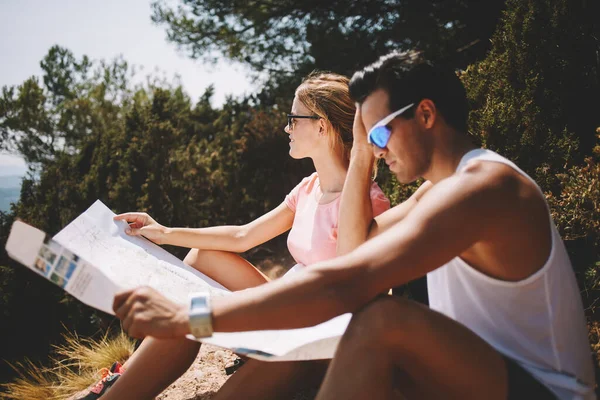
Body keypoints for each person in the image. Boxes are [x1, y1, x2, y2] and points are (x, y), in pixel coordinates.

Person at [112, 52, 596, 399]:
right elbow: (356, 252)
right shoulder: (440, 191)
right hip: (475, 375)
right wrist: (362, 151)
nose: (377, 148)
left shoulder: (485, 188)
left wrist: (188, 318)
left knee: (381, 323)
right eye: (366, 135)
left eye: (380, 132)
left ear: (426, 114)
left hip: (540, 390)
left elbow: (348, 281)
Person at [85, 72, 390, 400]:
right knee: (202, 264)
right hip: (285, 313)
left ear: (321, 125)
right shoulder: (309, 187)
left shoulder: (366, 201)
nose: (287, 128)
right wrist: (164, 232)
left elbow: (367, 290)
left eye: (293, 119)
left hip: (314, 343)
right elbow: (243, 235)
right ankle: (122, 386)